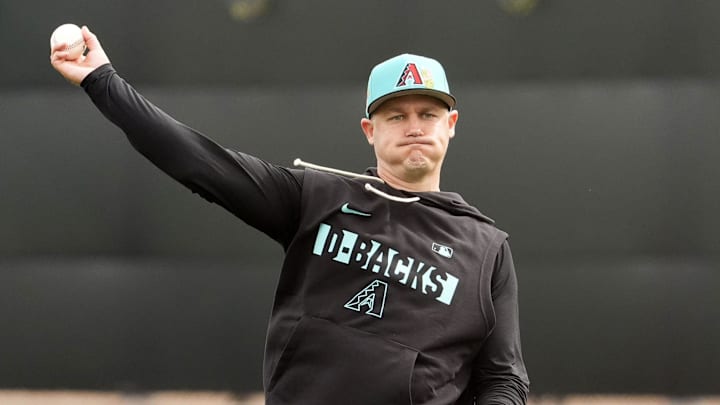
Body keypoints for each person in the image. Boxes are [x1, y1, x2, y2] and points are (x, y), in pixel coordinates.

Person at [51, 26, 530, 405]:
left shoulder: (486, 249)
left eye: (427, 114)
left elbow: (504, 378)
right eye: (395, 116)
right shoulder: (317, 198)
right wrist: (102, 80)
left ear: (451, 125)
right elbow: (199, 162)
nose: (413, 128)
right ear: (369, 129)